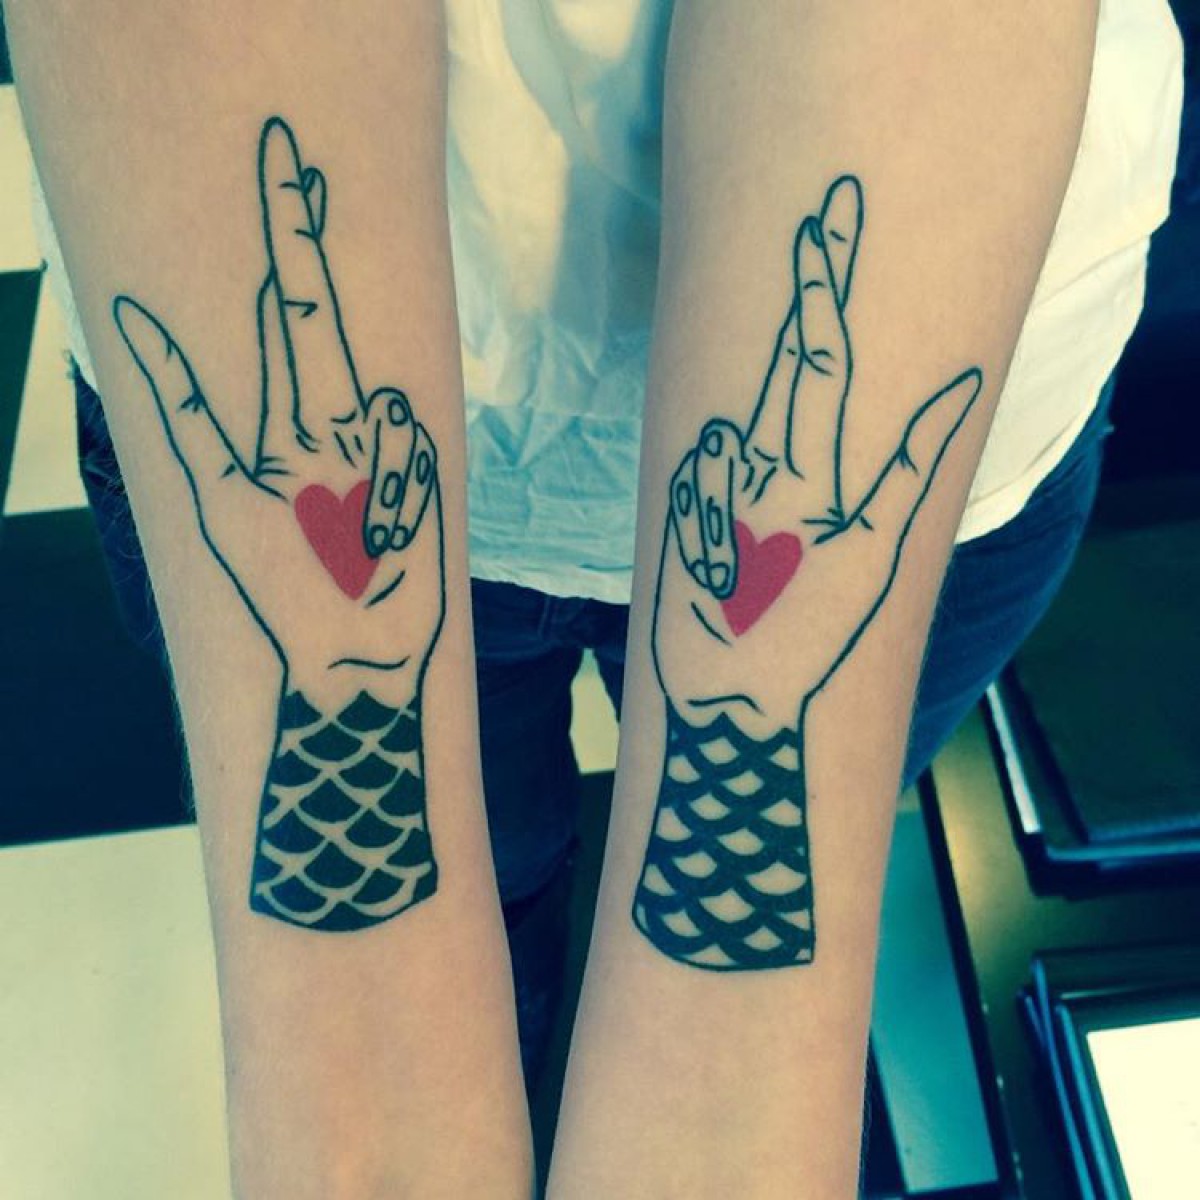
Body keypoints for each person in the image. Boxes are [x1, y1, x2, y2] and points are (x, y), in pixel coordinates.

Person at [6, 1, 1182, 1196]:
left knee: (634, 1001)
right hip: (315, 428)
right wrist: (355, 1108)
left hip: (861, 438)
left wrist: (728, 1112)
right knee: (499, 892)